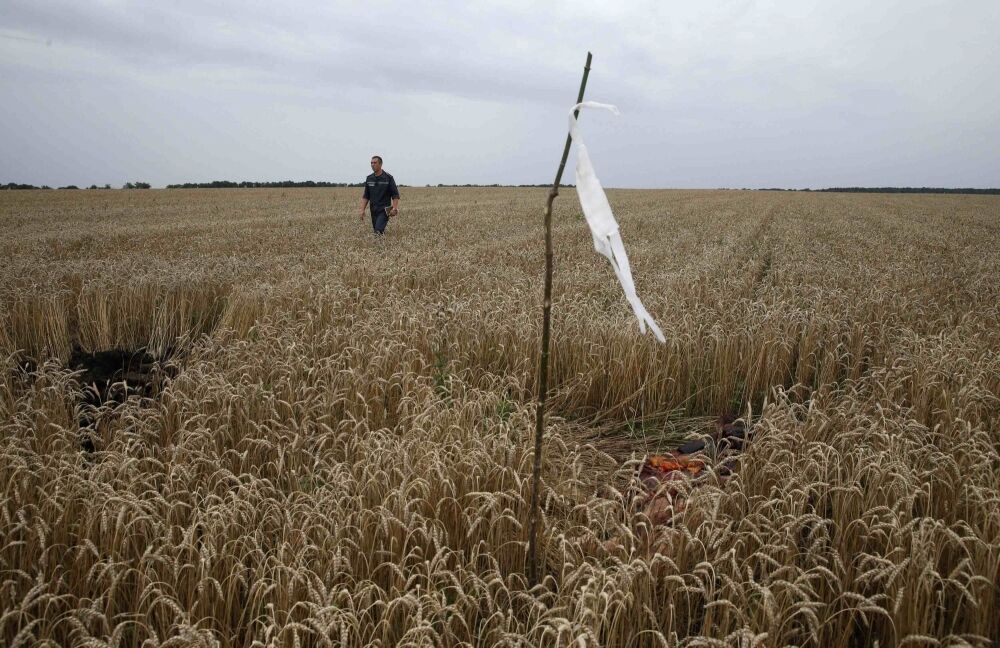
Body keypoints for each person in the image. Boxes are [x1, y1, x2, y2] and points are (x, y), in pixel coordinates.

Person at [358, 155, 400, 235]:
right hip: (373, 209)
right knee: (377, 232)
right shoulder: (369, 178)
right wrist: (362, 209)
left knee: (378, 230)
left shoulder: (388, 178)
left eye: (375, 163)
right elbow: (366, 196)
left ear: (380, 164)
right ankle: (382, 245)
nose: (372, 165)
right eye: (371, 163)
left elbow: (395, 195)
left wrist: (394, 208)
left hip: (384, 210)